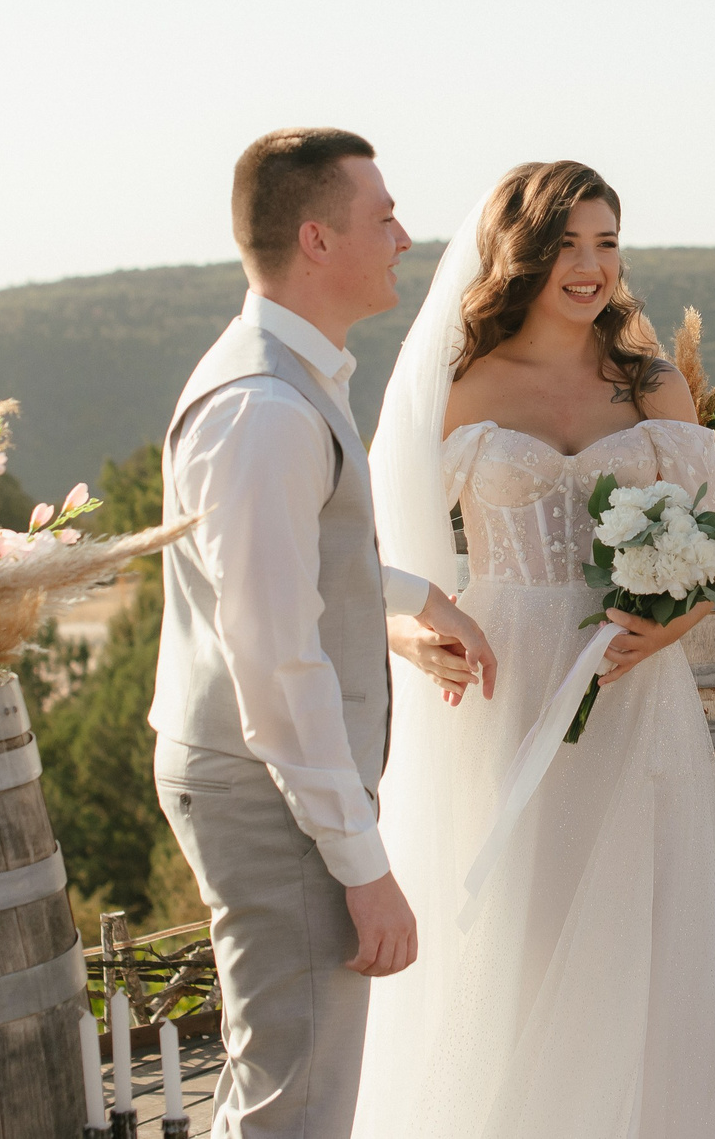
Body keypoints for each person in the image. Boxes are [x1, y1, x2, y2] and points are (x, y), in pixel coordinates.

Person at [352, 161, 715, 1139]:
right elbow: (363, 560)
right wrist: (409, 632)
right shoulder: (460, 380)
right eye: (567, 243)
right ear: (520, 253)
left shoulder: (648, 381)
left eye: (606, 242)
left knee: (632, 941)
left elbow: (712, 545)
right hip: (499, 689)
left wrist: (670, 626)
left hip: (630, 688)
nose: (590, 265)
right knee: (516, 936)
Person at [151, 127, 501, 1139]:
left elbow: (286, 567)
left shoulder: (289, 380)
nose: (402, 235)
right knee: (294, 1105)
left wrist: (413, 595)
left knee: (278, 1083)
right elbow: (273, 659)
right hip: (271, 795)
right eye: (381, 215)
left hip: (271, 783)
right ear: (315, 237)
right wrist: (364, 866)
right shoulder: (262, 407)